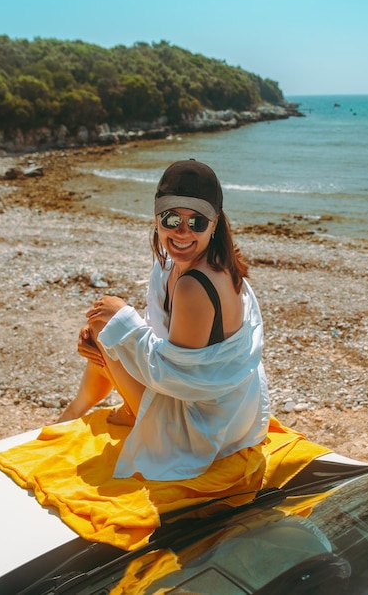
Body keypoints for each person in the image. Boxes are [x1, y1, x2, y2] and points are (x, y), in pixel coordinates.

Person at [58, 159, 270, 480]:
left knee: (111, 325)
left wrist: (119, 328)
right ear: (157, 218)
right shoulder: (175, 265)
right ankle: (76, 412)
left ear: (215, 224)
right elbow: (161, 342)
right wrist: (111, 335)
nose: (182, 231)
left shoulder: (194, 285)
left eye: (197, 222)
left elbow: (174, 378)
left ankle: (72, 416)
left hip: (205, 429)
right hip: (228, 408)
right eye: (172, 218)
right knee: (107, 327)